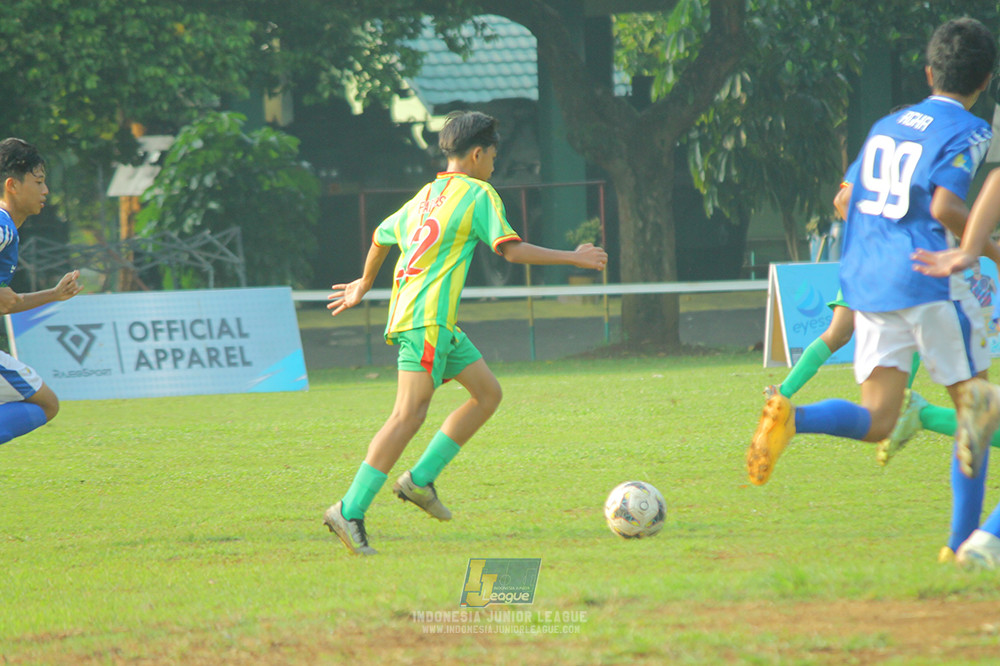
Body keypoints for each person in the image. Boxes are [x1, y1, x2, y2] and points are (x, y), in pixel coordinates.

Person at [747, 18, 999, 564]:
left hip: (870, 283)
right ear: (985, 80)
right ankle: (966, 547)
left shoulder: (887, 127)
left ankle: (794, 416)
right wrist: (988, 248)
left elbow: (844, 201)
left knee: (880, 417)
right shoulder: (972, 130)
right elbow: (946, 207)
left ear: (930, 72)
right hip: (928, 278)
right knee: (977, 411)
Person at [322, 111, 608, 555]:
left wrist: (364, 281)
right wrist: (575, 258)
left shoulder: (427, 195)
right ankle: (350, 509)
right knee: (407, 416)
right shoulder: (478, 194)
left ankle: (419, 482)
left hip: (432, 323)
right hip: (427, 320)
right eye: (492, 157)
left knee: (487, 394)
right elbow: (510, 251)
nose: (493, 165)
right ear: (477, 154)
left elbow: (381, 236)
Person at [0, 138, 82, 445]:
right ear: (13, 185)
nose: (45, 190)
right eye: (38, 182)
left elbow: (6, 303)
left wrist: (54, 295)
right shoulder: (3, 225)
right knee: (46, 404)